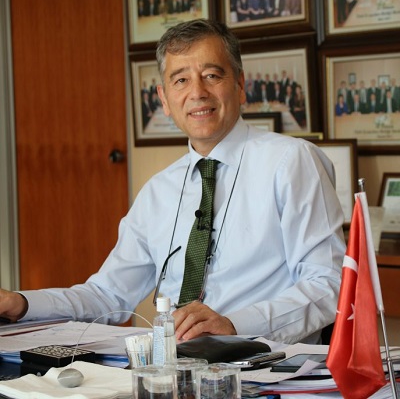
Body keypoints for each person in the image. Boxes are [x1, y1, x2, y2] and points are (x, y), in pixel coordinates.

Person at [0, 19, 345, 345]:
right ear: (164, 99)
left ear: (240, 86)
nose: (197, 92)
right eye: (180, 80)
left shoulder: (292, 161)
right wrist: (21, 303)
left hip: (264, 365)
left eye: (212, 75)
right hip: (173, 366)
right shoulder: (157, 191)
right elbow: (107, 295)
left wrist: (234, 325)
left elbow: (329, 283)